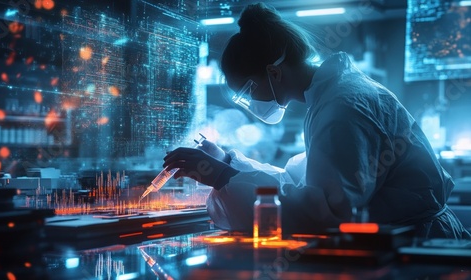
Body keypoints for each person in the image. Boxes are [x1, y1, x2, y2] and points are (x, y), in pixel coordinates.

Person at [163, 3, 471, 239]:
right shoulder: (331, 97)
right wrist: (229, 162)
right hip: (402, 236)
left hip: (413, 246)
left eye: (247, 90)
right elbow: (303, 183)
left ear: (274, 72)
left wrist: (222, 176)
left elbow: (326, 211)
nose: (249, 103)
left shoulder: (341, 108)